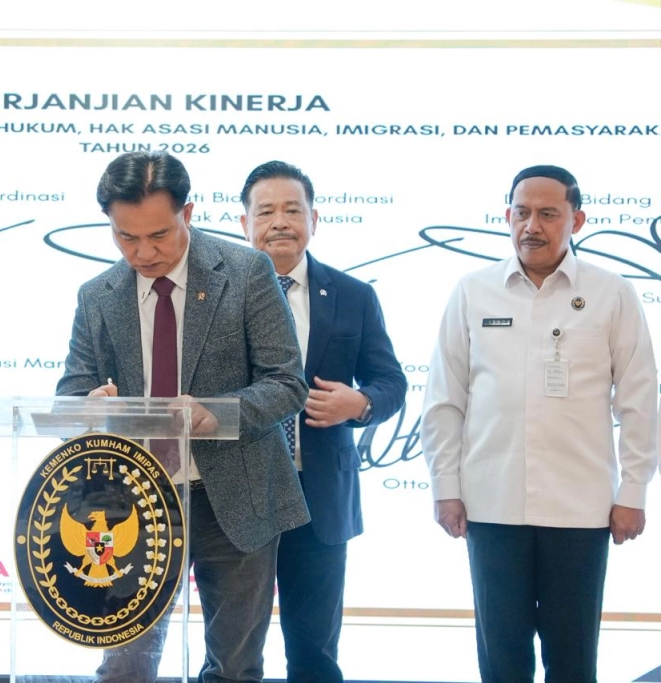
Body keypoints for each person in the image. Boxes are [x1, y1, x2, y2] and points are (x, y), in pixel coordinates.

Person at [56, 150, 310, 682]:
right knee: (125, 664)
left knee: (235, 666)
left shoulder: (246, 272)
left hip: (236, 496)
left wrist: (216, 413)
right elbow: (71, 396)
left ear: (187, 214)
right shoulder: (97, 295)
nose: (143, 252)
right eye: (126, 237)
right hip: (134, 502)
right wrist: (89, 407)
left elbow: (286, 383)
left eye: (159, 235)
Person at [420, 165, 657, 682]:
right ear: (507, 216)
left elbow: (639, 399)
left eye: (548, 214)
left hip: (581, 508)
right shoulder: (473, 291)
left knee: (573, 659)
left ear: (577, 220)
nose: (532, 226)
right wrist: (445, 487)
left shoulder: (612, 293)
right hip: (491, 503)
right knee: (501, 658)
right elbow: (444, 398)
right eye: (522, 213)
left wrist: (634, 491)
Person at [240, 161, 406, 682]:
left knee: (314, 651)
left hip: (320, 497)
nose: (280, 221)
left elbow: (391, 381)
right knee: (232, 648)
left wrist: (359, 404)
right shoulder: (218, 295)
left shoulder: (353, 295)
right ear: (244, 223)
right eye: (266, 211)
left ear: (315, 219)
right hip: (239, 491)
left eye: (293, 210)